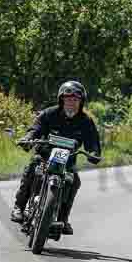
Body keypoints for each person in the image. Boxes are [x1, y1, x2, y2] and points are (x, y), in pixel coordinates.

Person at [10, 81, 101, 235]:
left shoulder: (86, 122)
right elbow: (35, 130)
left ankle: (63, 219)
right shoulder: (48, 114)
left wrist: (94, 154)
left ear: (81, 101)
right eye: (68, 98)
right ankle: (19, 207)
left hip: (68, 161)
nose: (71, 102)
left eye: (75, 99)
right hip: (44, 156)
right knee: (32, 168)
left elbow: (92, 144)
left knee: (74, 181)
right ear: (62, 99)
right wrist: (28, 139)